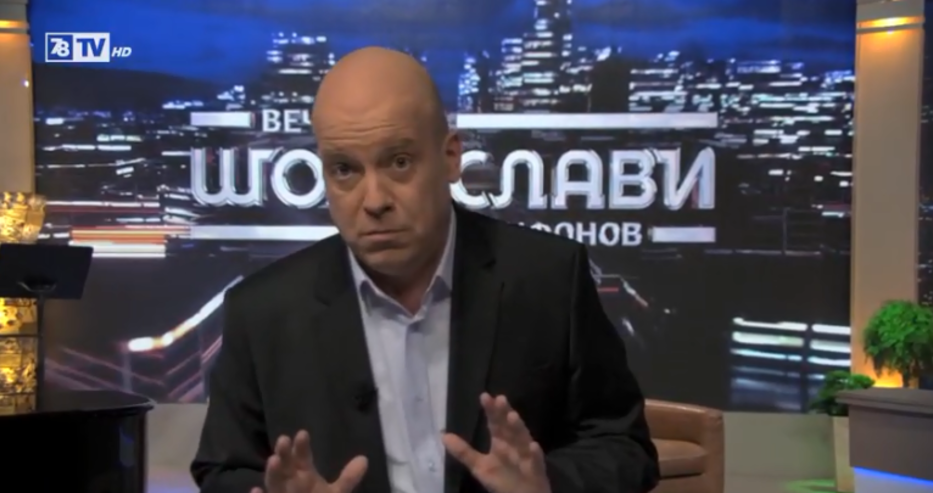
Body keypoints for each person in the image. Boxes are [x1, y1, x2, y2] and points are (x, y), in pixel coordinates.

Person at [191, 47, 659, 493]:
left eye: (399, 162)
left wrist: (546, 484)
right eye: (345, 170)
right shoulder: (262, 312)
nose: (374, 201)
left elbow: (624, 446)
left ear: (451, 156)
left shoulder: (549, 278)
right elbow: (224, 469)